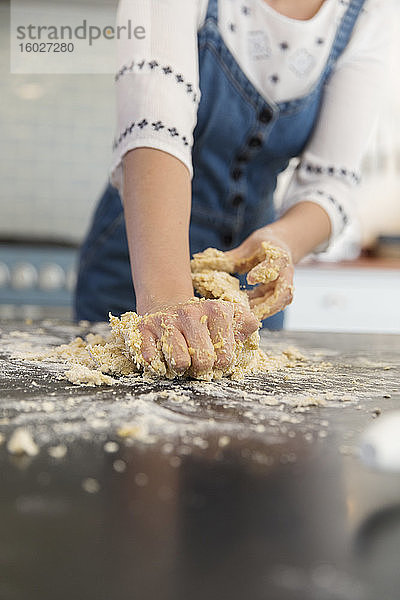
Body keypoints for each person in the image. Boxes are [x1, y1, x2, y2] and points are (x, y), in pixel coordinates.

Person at [74, 0, 394, 376]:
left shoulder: (372, 10)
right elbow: (153, 130)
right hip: (138, 264)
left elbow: (332, 183)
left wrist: (283, 241)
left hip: (246, 292)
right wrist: (166, 298)